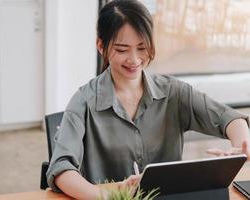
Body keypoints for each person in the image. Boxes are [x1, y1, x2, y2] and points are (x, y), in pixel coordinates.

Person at [46, 0, 250, 199]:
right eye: (122, 49)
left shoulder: (173, 92)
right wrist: (104, 195)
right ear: (101, 45)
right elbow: (61, 168)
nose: (134, 59)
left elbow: (228, 118)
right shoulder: (83, 101)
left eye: (142, 48)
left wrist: (243, 145)